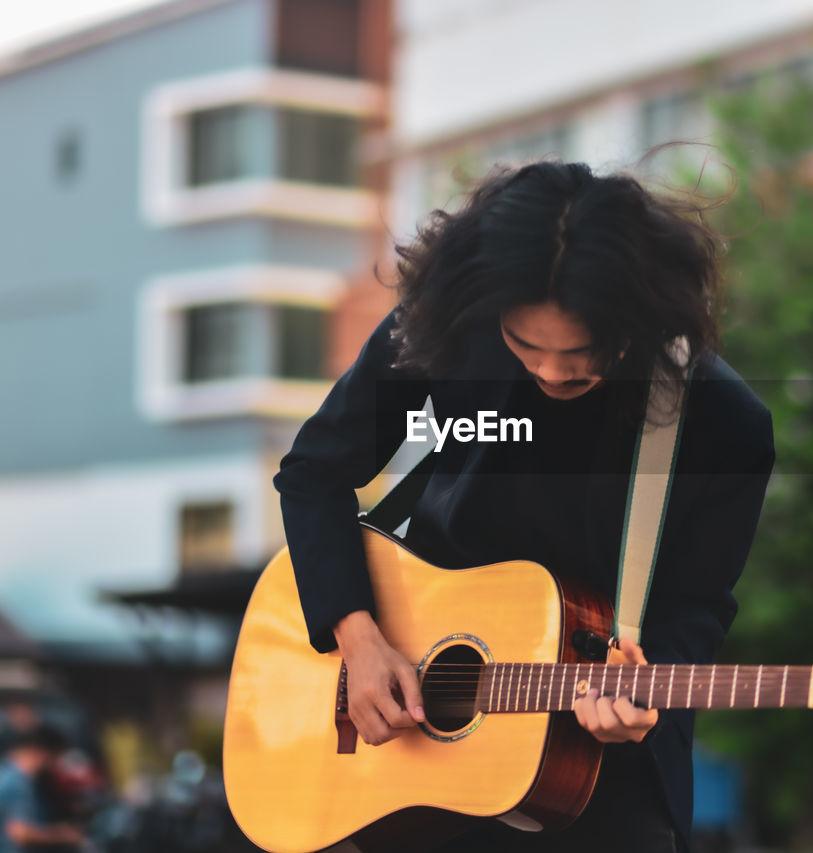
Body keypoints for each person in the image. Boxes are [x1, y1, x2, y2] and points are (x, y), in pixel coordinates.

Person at [274, 160, 774, 851]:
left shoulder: (723, 423)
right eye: (524, 345)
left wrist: (648, 681)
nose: (551, 371)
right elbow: (312, 475)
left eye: (584, 352)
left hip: (597, 784)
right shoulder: (446, 333)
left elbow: (698, 602)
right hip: (420, 761)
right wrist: (359, 641)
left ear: (641, 316)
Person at [0, 724, 84, 853]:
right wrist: (63, 835)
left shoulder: (3, 772)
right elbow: (20, 833)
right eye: (55, 757)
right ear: (41, 752)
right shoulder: (16, 782)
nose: (56, 765)